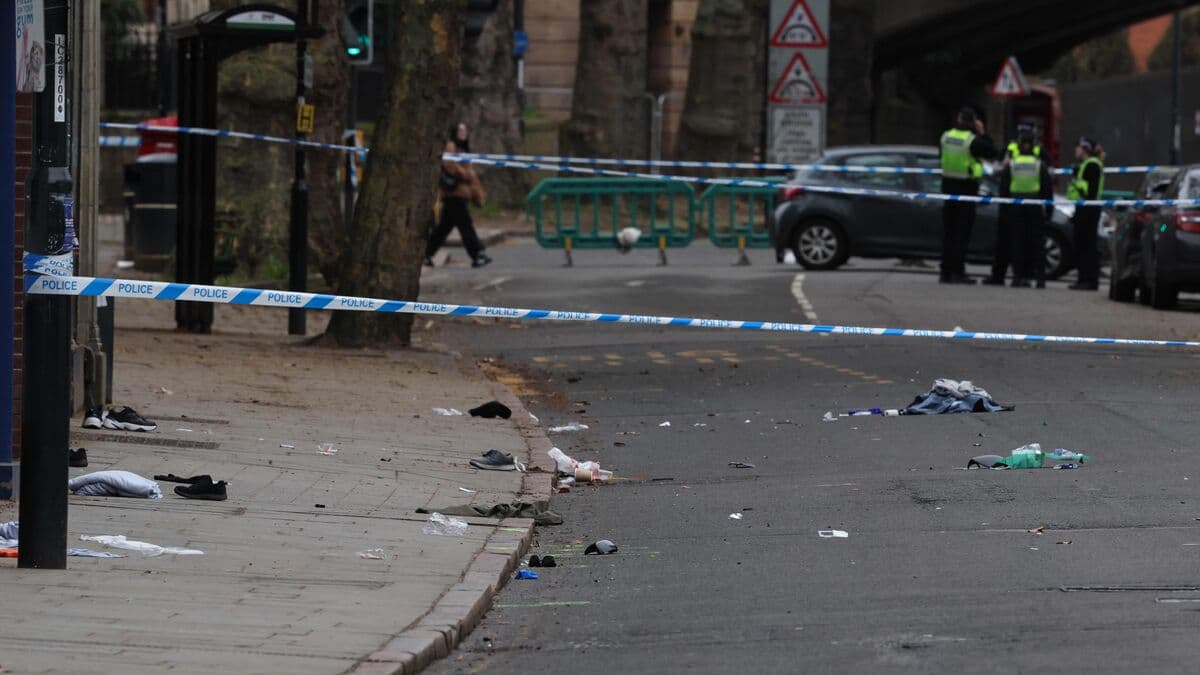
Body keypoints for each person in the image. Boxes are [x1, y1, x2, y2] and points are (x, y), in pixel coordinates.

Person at [940, 107, 998, 284]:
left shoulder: (946, 136)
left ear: (959, 119)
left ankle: (945, 272)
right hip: (966, 190)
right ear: (973, 123)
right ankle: (957, 272)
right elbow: (992, 152)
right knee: (961, 234)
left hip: (948, 189)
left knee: (949, 233)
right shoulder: (972, 141)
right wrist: (983, 132)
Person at [426, 122, 492, 268]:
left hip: (461, 194)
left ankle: (426, 253)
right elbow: (449, 165)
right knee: (465, 225)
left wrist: (477, 194)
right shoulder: (451, 146)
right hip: (454, 193)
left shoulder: (463, 149)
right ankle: (477, 253)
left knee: (444, 228)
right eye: (461, 130)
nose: (463, 133)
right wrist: (465, 174)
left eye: (465, 130)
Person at [985, 124, 1043, 286]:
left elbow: (996, 170)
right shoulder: (1034, 152)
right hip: (1022, 201)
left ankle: (1016, 275)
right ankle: (1009, 275)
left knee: (1016, 241)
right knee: (1014, 241)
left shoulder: (1018, 151)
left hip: (1014, 201)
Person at [999, 128, 1053, 288]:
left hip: (1016, 205)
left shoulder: (1012, 164)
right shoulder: (1039, 165)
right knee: (1037, 243)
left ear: (1020, 144)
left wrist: (1004, 209)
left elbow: (1004, 188)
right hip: (1034, 205)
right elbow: (1047, 188)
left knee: (1017, 242)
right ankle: (1040, 278)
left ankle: (1018, 277)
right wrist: (1048, 209)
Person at [1067, 137, 1104, 290]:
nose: (1076, 150)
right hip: (1084, 208)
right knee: (1082, 245)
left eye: (1078, 147)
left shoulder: (1092, 165)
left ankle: (1089, 280)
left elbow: (1090, 191)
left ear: (1085, 149)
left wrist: (1076, 178)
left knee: (1087, 246)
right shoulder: (1086, 164)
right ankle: (1083, 278)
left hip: (1088, 209)